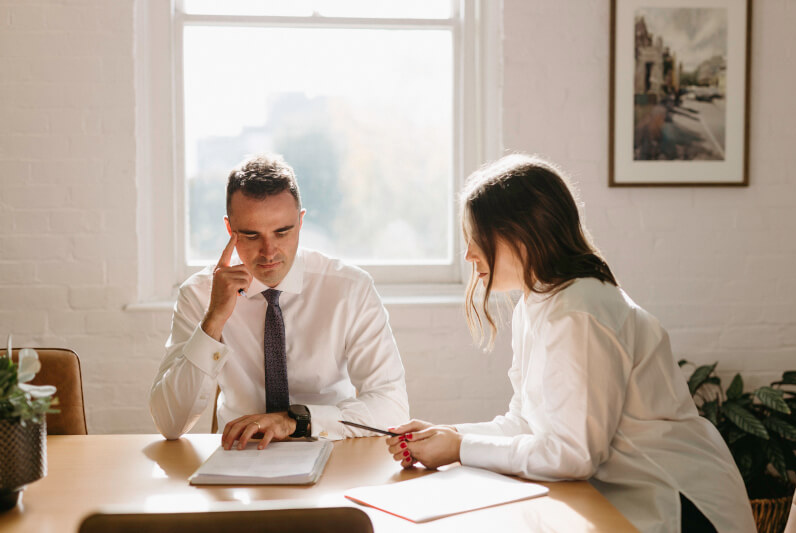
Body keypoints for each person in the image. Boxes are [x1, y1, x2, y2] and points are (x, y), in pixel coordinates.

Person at [385, 154, 756, 533]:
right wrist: (447, 436)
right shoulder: (537, 302)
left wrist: (460, 448)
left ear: (521, 235)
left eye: (478, 239)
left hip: (680, 505)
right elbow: (525, 421)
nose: (468, 255)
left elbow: (573, 455)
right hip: (624, 498)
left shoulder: (578, 313)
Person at [150, 154, 409, 449]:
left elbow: (393, 408)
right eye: (250, 235)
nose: (269, 252)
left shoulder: (349, 289)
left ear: (300, 222)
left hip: (334, 449)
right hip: (240, 459)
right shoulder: (199, 294)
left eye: (282, 232)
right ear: (229, 230)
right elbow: (170, 423)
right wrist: (213, 321)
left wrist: (297, 422)